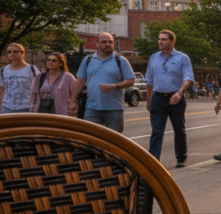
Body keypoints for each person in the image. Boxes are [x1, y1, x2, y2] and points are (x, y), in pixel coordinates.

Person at [146, 30, 194, 167]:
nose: (160, 42)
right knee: (156, 130)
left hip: (176, 98)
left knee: (179, 129)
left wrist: (180, 93)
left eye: (164, 39)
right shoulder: (154, 57)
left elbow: (188, 78)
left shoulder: (182, 58)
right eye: (159, 39)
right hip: (158, 98)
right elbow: (149, 80)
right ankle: (153, 160)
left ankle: (181, 157)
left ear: (172, 41)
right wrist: (149, 99)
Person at [69, 33, 136, 132]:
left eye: (110, 42)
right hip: (91, 108)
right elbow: (79, 81)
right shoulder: (88, 60)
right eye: (104, 42)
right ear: (97, 44)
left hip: (114, 109)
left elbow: (131, 80)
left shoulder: (121, 60)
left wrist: (115, 86)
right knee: (92, 139)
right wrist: (72, 102)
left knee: (114, 141)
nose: (107, 44)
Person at [29, 52, 75, 116]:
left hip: (61, 111)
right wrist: (31, 109)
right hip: (42, 110)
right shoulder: (40, 76)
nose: (50, 62)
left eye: (54, 60)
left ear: (61, 63)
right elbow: (34, 94)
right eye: (48, 60)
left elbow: (74, 95)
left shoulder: (68, 77)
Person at [0, 43, 37, 115]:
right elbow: (2, 90)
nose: (12, 54)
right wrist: (1, 109)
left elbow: (37, 90)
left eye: (15, 51)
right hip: (7, 108)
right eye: (9, 52)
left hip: (26, 107)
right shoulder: (3, 70)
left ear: (22, 53)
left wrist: (33, 107)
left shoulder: (32, 69)